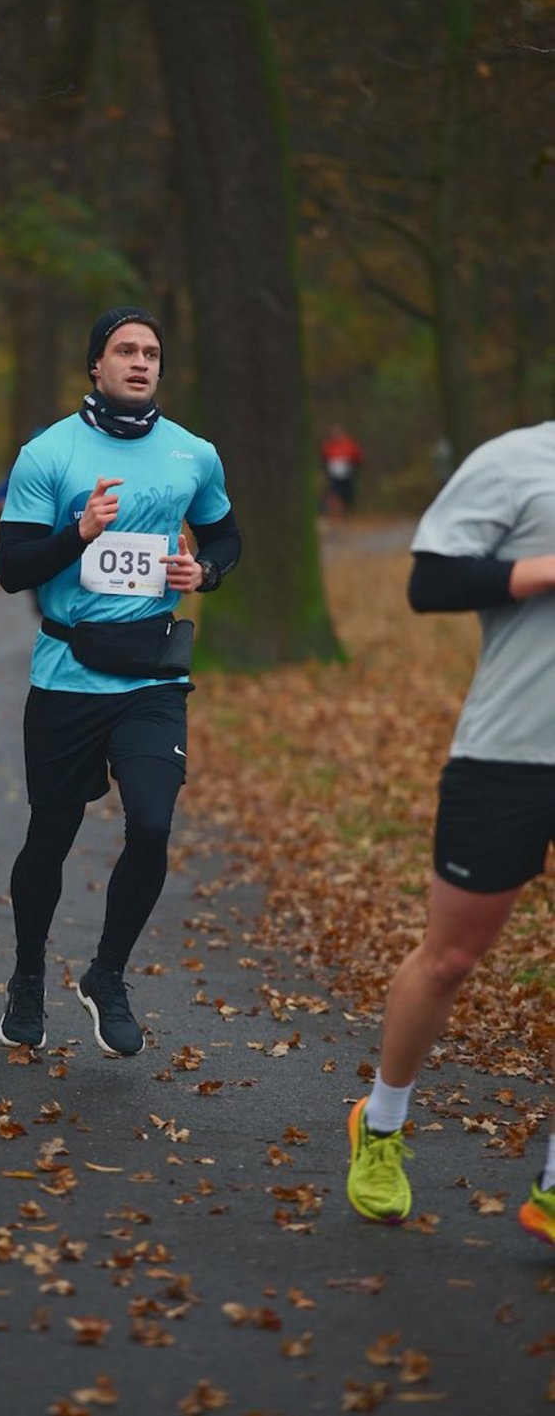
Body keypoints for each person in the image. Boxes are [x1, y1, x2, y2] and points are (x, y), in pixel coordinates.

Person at [0, 306, 241, 1056]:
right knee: (52, 834)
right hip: (68, 675)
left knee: (155, 824)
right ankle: (29, 974)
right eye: (125, 350)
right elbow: (12, 571)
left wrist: (207, 570)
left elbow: (227, 535)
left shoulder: (193, 454)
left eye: (152, 352)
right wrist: (78, 533)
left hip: (151, 675)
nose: (141, 362)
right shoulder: (49, 454)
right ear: (94, 366)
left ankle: (107, 973)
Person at [345, 418, 555, 1247]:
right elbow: (429, 582)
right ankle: (383, 1122)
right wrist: (543, 570)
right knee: (452, 957)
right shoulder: (516, 460)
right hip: (510, 753)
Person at [319, 425, 363, 517]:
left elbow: (357, 457)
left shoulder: (349, 444)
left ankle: (347, 516)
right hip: (333, 475)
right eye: (334, 433)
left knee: (347, 496)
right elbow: (324, 458)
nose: (336, 435)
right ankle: (335, 516)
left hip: (347, 474)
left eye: (338, 433)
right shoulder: (328, 445)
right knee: (334, 496)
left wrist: (354, 466)